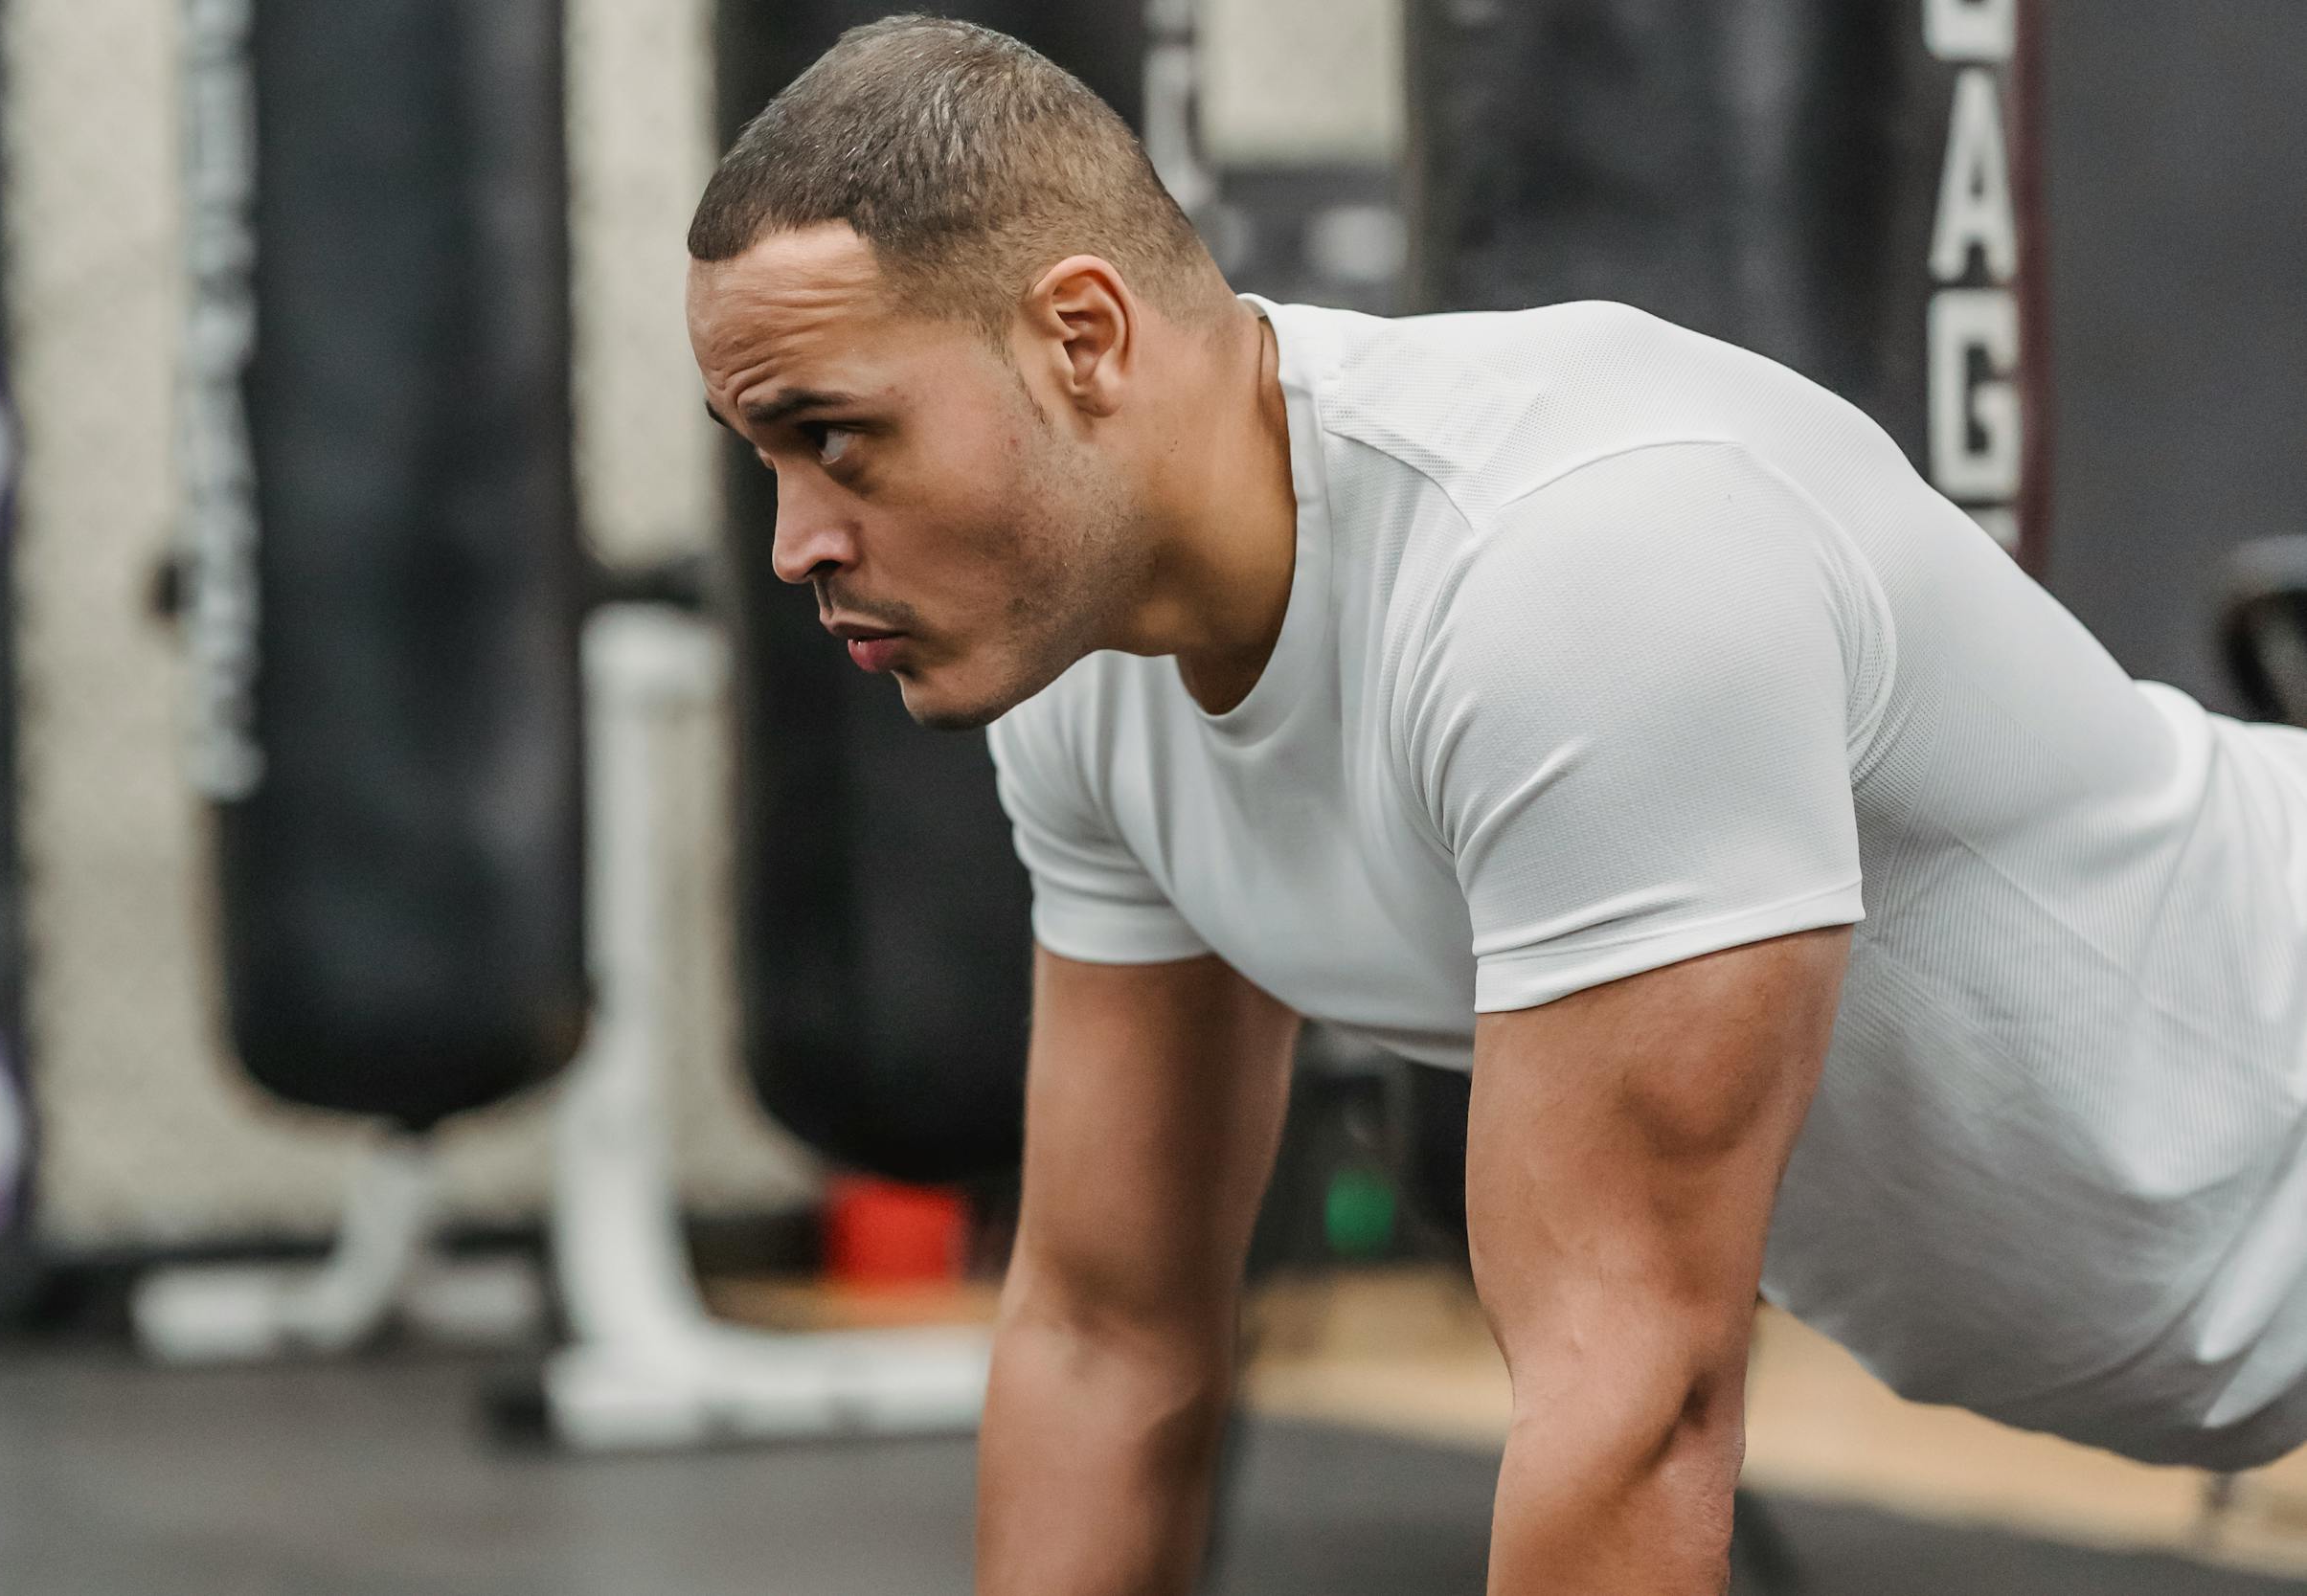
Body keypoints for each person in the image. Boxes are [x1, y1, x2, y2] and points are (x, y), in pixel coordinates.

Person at [684, 15, 2307, 1593]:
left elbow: (1633, 1404)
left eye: (837, 437)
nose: (795, 542)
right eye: (767, 459)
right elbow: (1112, 1333)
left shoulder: (1578, 567)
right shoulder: (1091, 680)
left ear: (1084, 337)